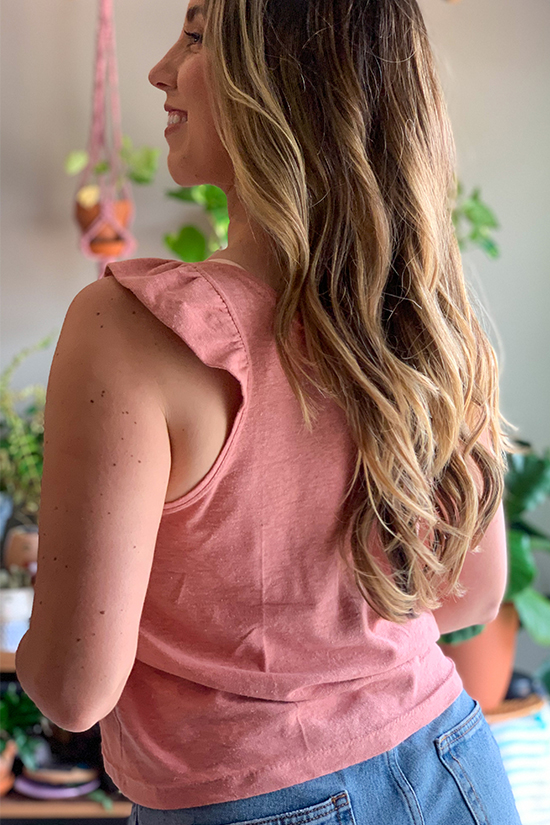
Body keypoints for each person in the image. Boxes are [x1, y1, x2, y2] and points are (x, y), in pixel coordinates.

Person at [15, 0, 523, 822]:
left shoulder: (129, 331)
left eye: (195, 36)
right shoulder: (420, 310)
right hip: (454, 766)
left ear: (285, 81)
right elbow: (469, 593)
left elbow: (74, 691)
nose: (158, 71)